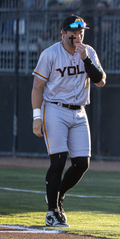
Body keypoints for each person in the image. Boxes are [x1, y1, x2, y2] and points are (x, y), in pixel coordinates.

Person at [31, 15, 106, 227]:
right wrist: (37, 117)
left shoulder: (88, 52)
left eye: (81, 32)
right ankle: (52, 211)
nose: (77, 36)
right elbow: (37, 86)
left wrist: (86, 59)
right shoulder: (50, 54)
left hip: (80, 111)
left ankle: (57, 195)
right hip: (54, 108)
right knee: (58, 161)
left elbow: (101, 80)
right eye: (73, 33)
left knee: (82, 163)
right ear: (63, 33)